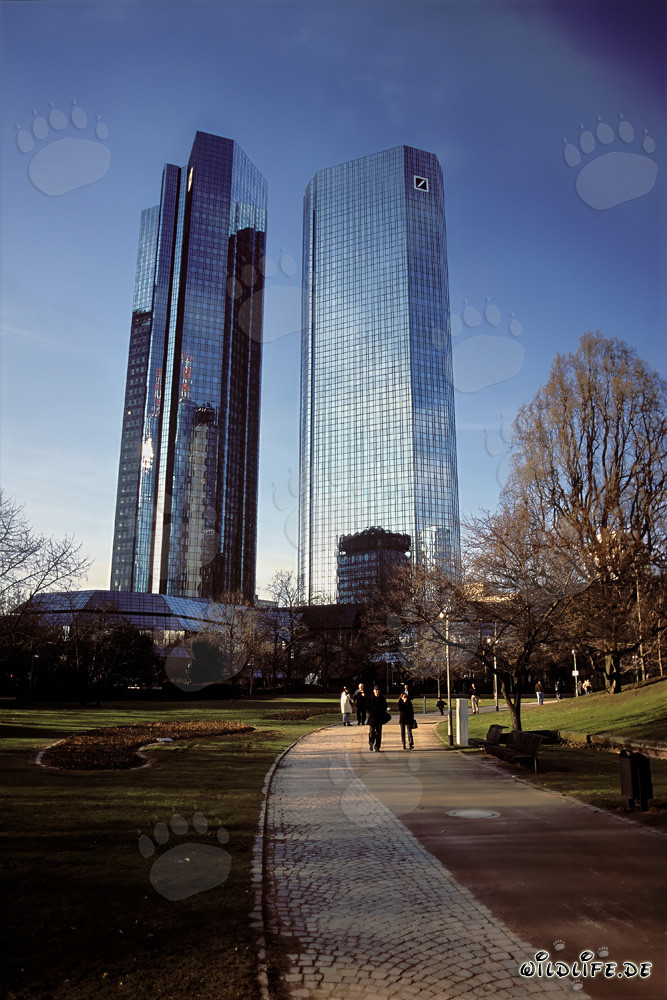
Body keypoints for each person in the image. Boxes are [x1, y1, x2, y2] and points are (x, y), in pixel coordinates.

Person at [366, 683, 389, 752]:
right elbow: (367, 707)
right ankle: (371, 742)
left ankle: (377, 746)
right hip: (372, 718)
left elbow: (385, 706)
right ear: (373, 691)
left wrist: (381, 711)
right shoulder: (370, 698)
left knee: (378, 733)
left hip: (379, 718)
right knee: (372, 732)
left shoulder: (382, 698)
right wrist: (371, 712)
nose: (377, 691)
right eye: (376, 690)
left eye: (378, 690)